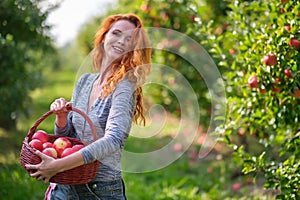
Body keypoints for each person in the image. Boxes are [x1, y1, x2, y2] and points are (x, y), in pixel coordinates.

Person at [25, 13, 152, 199]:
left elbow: (114, 140)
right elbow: (66, 138)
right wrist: (61, 118)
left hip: (98, 190)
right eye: (116, 33)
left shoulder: (124, 86)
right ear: (104, 37)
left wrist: (57, 166)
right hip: (66, 185)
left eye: (129, 39)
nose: (121, 41)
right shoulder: (85, 82)